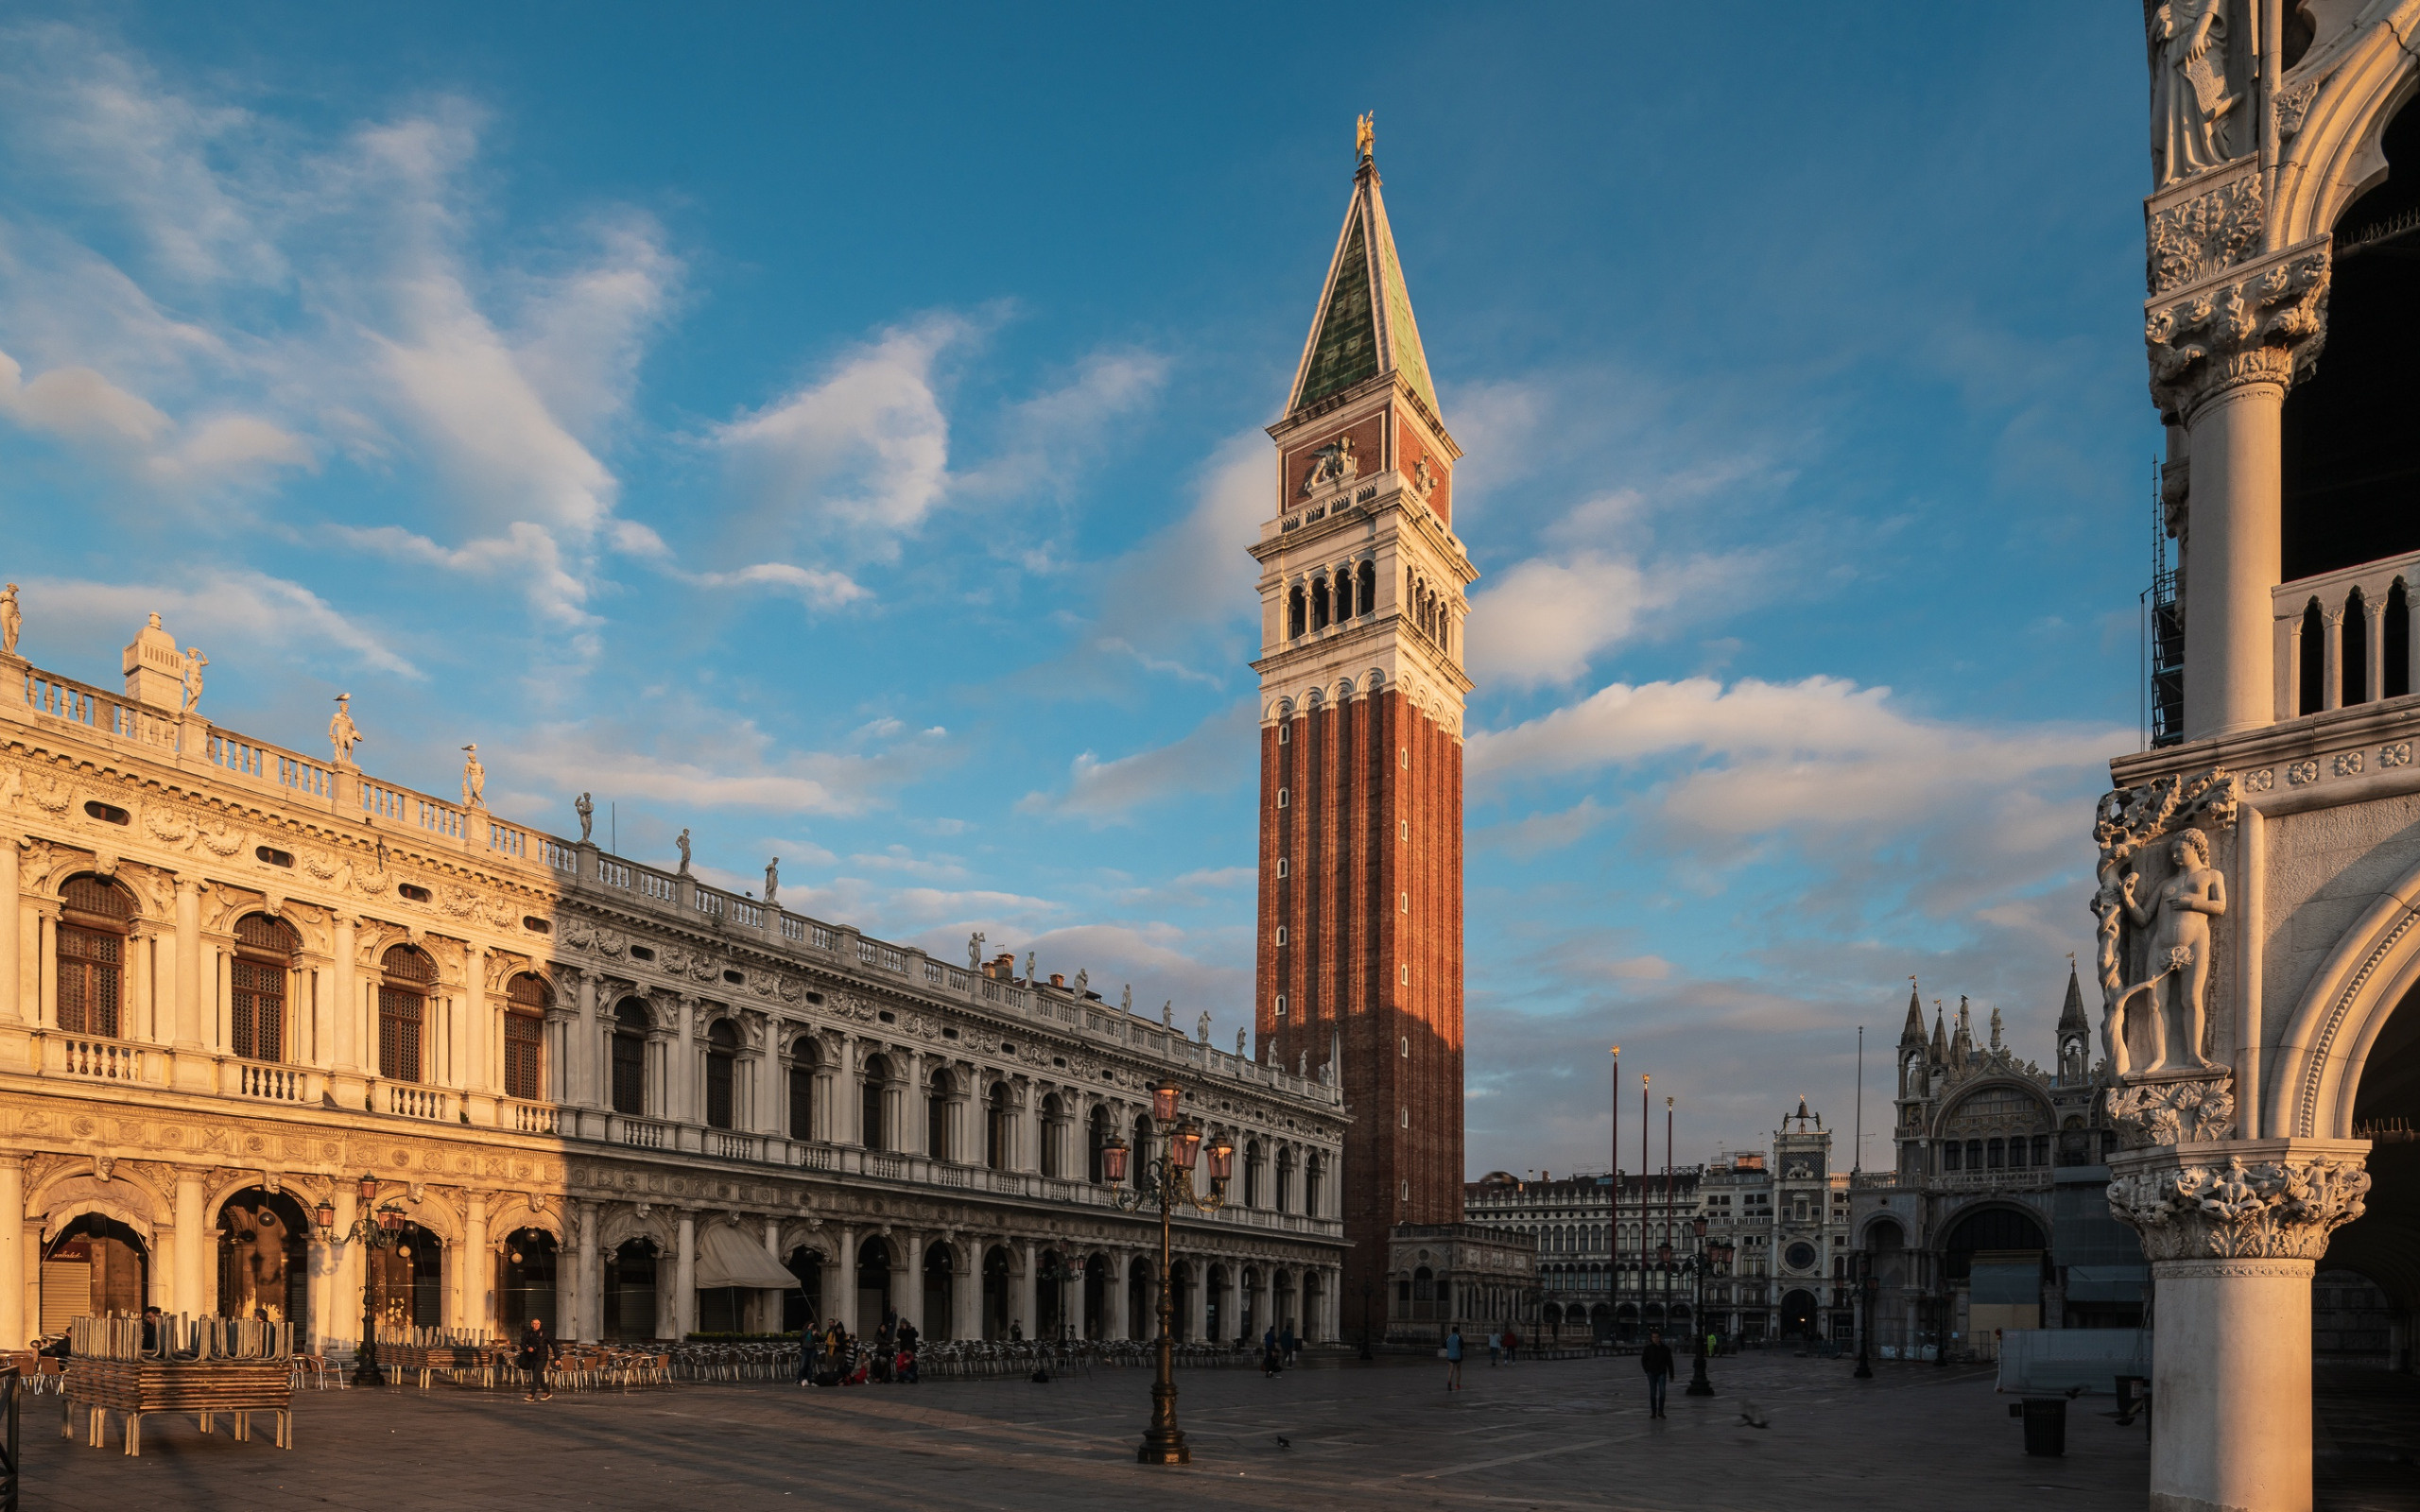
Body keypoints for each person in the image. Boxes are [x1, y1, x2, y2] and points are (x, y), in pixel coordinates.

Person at [516, 1316, 557, 1401]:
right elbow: (522, 1344)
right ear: (531, 1324)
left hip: (542, 1358)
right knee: (538, 1375)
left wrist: (557, 1358)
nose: (536, 1325)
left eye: (538, 1323)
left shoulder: (546, 1333)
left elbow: (554, 1345)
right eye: (534, 1324)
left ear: (540, 1324)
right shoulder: (528, 1333)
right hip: (532, 1358)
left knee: (536, 1375)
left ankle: (531, 1394)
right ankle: (547, 1391)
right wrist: (528, 1348)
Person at [1641, 1328, 1675, 1418]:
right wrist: (1647, 1370)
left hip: (1661, 1372)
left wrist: (1671, 1375)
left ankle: (1660, 1411)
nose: (1655, 1339)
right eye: (1654, 1337)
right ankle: (1653, 1411)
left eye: (1657, 1337)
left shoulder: (1665, 1349)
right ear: (1651, 1338)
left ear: (1660, 1338)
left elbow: (1669, 1362)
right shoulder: (1648, 1349)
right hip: (1651, 1372)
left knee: (1662, 1392)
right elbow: (1644, 1360)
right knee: (1653, 1393)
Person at [1444, 1325, 1464, 1390]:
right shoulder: (1459, 1337)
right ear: (1458, 1331)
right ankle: (1457, 1385)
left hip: (1450, 1356)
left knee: (1451, 1370)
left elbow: (1444, 1345)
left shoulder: (1448, 1338)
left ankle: (1449, 1382)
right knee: (1458, 1370)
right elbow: (1462, 1346)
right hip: (1458, 1356)